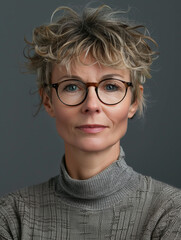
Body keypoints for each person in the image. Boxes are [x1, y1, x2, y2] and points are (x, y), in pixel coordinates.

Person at [0, 5, 181, 240]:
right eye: (72, 87)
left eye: (111, 86)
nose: (92, 105)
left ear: (134, 100)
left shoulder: (169, 215)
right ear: (48, 100)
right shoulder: (11, 218)